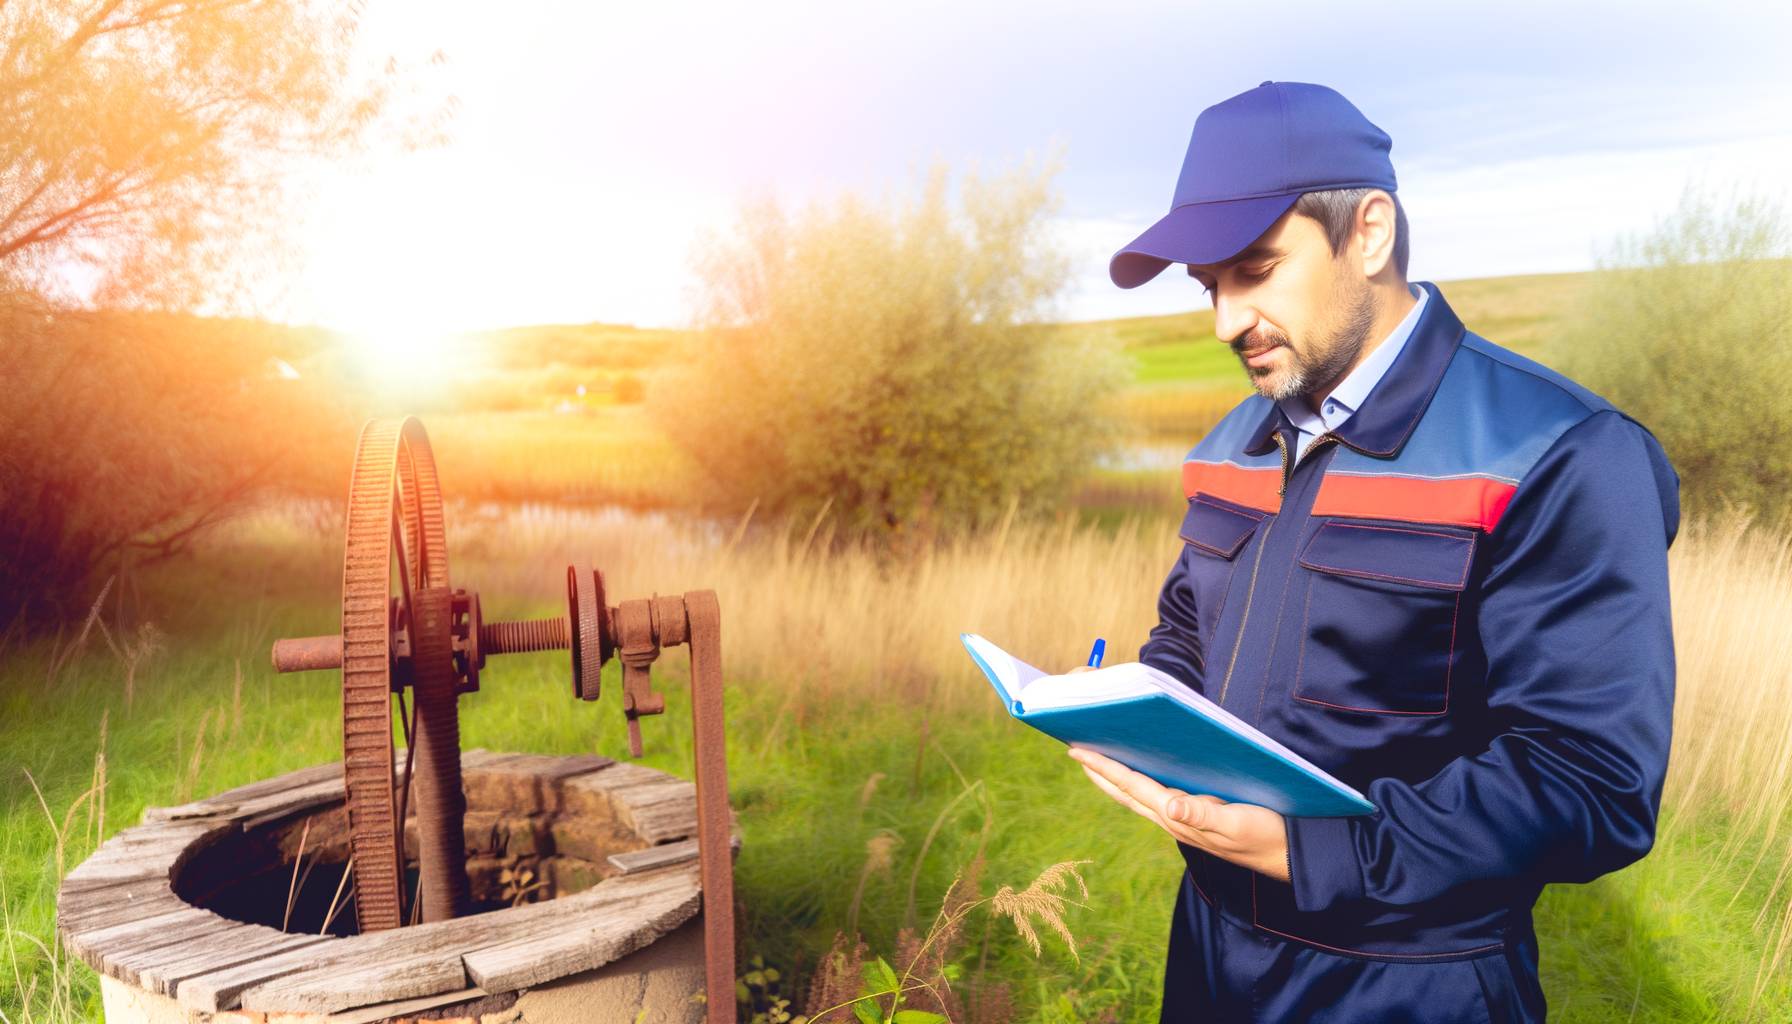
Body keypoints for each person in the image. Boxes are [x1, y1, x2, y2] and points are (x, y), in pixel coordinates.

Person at [1071, 80, 1680, 1022]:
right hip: (1206, 953)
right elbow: (1188, 629)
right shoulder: (1232, 439)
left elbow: (1591, 781)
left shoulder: (1562, 453)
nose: (1226, 321)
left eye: (1257, 270)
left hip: (1411, 984)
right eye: (1211, 287)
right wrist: (1137, 709)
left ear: (1369, 233)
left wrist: (1308, 852)